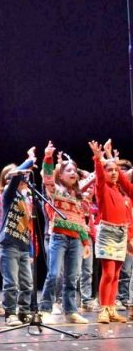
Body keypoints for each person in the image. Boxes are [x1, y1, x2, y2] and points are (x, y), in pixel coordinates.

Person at [38, 141, 91, 325]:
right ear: (60, 174)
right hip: (59, 237)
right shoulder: (56, 190)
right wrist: (48, 157)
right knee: (54, 274)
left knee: (72, 277)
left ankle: (71, 311)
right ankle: (44, 309)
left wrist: (85, 243)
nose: (73, 173)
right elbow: (47, 178)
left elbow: (80, 222)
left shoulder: (78, 197)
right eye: (69, 170)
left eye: (75, 171)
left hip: (76, 240)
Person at [89, 139, 133, 323]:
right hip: (107, 232)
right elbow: (99, 177)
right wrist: (99, 161)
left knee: (116, 274)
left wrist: (110, 159)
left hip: (121, 233)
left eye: (116, 170)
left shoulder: (122, 191)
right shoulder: (102, 189)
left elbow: (125, 182)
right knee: (108, 273)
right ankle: (103, 309)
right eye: (110, 170)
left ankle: (112, 308)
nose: (114, 173)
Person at [0, 147, 36, 326]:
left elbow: (27, 226)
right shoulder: (8, 194)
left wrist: (31, 250)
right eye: (21, 177)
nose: (24, 179)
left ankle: (24, 311)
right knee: (11, 283)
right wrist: (30, 159)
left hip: (23, 245)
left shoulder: (25, 198)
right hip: (9, 244)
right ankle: (10, 313)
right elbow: (16, 176)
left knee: (27, 283)